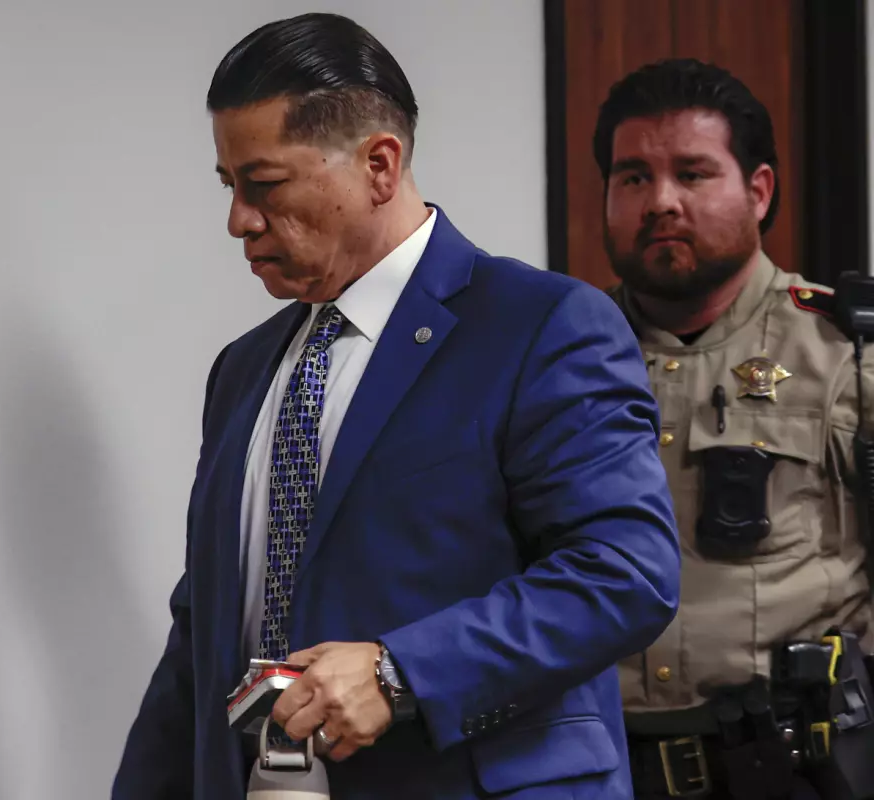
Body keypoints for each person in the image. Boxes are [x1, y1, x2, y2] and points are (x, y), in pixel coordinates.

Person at [113, 13, 681, 800]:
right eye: (230, 187)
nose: (239, 220)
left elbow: (625, 574)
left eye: (264, 185)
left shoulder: (542, 328)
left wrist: (401, 671)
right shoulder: (242, 372)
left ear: (380, 164)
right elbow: (201, 634)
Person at [596, 58, 874, 799]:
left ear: (758, 191)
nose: (660, 202)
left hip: (789, 767)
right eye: (632, 178)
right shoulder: (556, 356)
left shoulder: (846, 352)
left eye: (692, 174)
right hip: (597, 768)